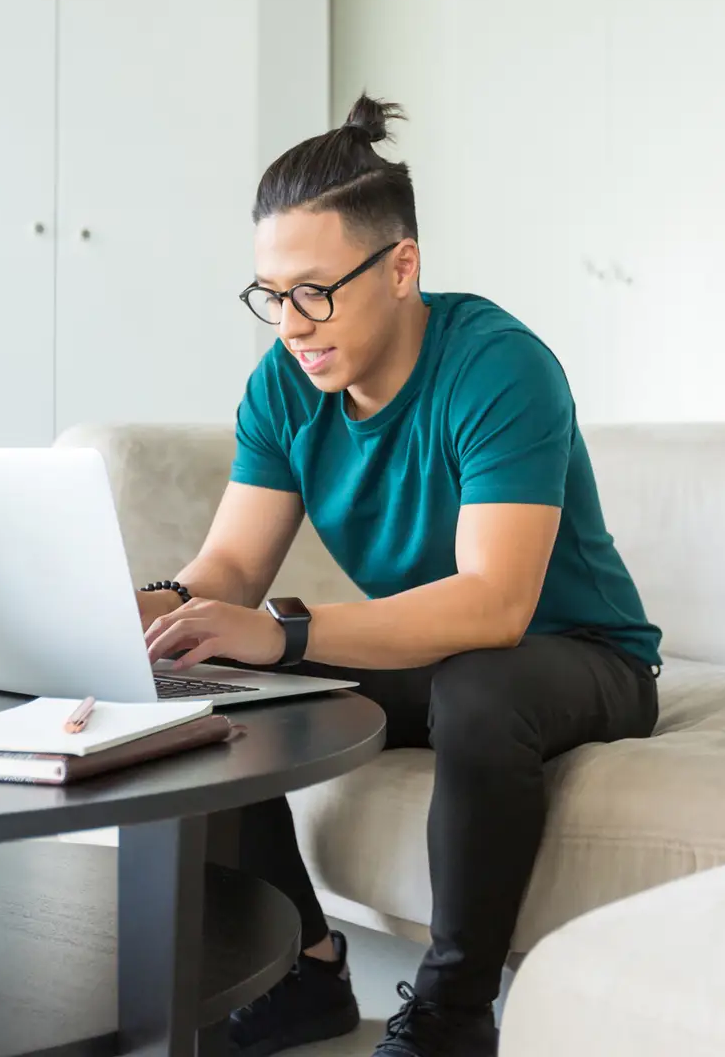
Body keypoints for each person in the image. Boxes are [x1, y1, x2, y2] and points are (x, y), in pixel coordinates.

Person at [135, 96, 663, 1057]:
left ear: (402, 267)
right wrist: (145, 610)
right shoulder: (285, 386)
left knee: (478, 684)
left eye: (314, 291)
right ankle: (303, 969)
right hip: (437, 657)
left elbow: (495, 606)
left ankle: (454, 1016)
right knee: (206, 684)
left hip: (578, 658)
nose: (290, 326)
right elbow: (231, 569)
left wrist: (290, 634)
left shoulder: (500, 368)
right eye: (270, 295)